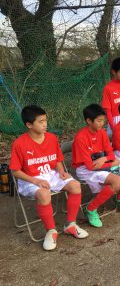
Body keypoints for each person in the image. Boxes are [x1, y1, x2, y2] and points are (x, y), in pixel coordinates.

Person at [10, 105, 88, 250]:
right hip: (30, 179)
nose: (45, 124)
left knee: (75, 185)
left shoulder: (52, 138)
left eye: (45, 120)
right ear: (29, 124)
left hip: (51, 175)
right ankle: (51, 231)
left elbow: (58, 159)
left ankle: (70, 224)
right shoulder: (19, 144)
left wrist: (61, 171)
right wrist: (36, 181)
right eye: (40, 121)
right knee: (44, 193)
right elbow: (15, 171)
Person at [72, 104, 120, 228]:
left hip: (101, 164)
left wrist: (105, 159)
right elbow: (90, 166)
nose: (102, 123)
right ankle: (90, 209)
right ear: (89, 121)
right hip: (85, 169)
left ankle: (115, 199)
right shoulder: (81, 138)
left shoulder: (102, 133)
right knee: (118, 181)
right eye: (99, 121)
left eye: (103, 120)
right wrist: (112, 162)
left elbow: (111, 153)